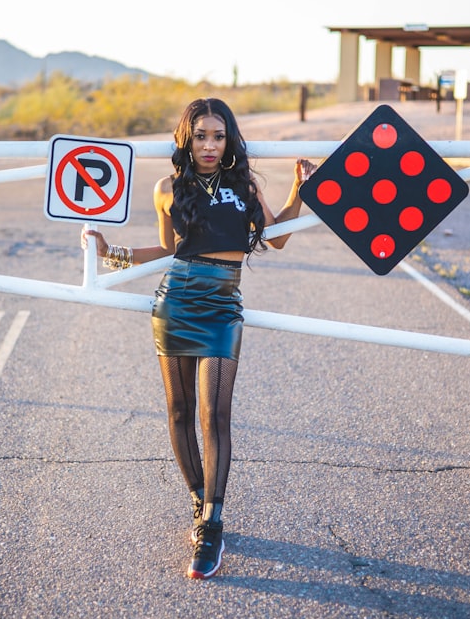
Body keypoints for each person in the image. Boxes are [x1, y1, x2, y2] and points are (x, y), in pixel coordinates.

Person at [82, 98, 314, 580]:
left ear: (229, 141)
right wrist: (111, 254)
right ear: (187, 138)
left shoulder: (243, 185)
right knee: (180, 411)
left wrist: (299, 187)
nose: (210, 145)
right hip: (176, 301)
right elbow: (166, 250)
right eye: (201, 135)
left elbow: (276, 237)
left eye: (219, 136)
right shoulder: (167, 188)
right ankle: (197, 502)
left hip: (223, 305)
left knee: (216, 412)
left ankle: (212, 524)